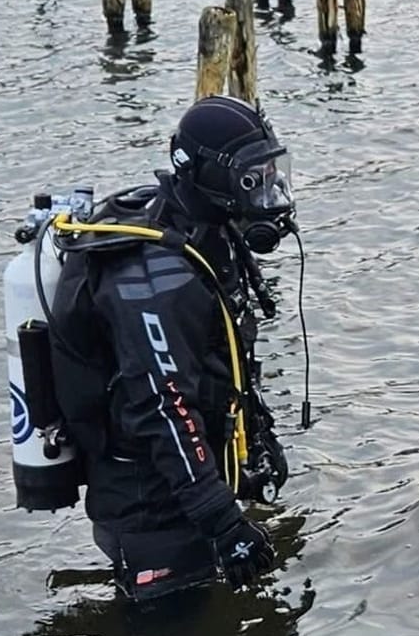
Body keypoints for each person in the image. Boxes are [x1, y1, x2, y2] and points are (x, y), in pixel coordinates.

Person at [47, 95, 296, 600]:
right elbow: (163, 408)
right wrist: (224, 523)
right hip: (151, 510)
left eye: (272, 175)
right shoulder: (153, 277)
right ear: (210, 176)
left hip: (184, 487)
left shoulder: (204, 231)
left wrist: (260, 441)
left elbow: (225, 358)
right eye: (254, 180)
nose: (269, 192)